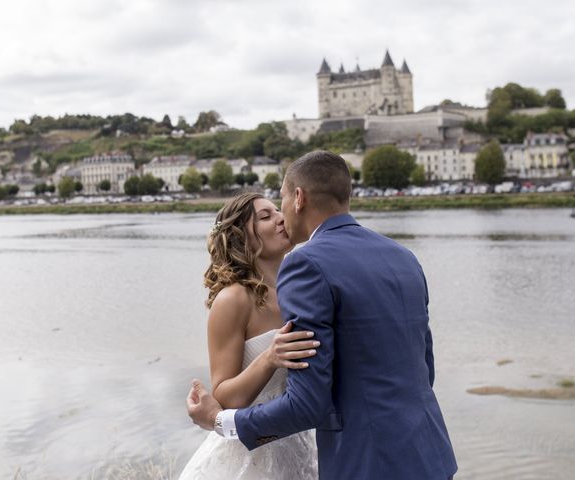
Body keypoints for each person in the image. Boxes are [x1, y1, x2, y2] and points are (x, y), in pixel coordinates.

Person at [187, 151, 458, 479]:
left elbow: (307, 406)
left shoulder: (307, 267)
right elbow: (424, 369)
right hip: (430, 453)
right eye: (265, 214)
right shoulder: (404, 258)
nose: (281, 216)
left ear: (298, 198)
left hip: (366, 461)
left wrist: (220, 423)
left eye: (281, 201)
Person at [178, 192, 319, 479]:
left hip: (297, 442)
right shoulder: (233, 299)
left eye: (278, 210)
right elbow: (224, 396)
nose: (281, 218)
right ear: (242, 237)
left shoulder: (299, 290)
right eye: (266, 216)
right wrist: (269, 358)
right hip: (247, 456)